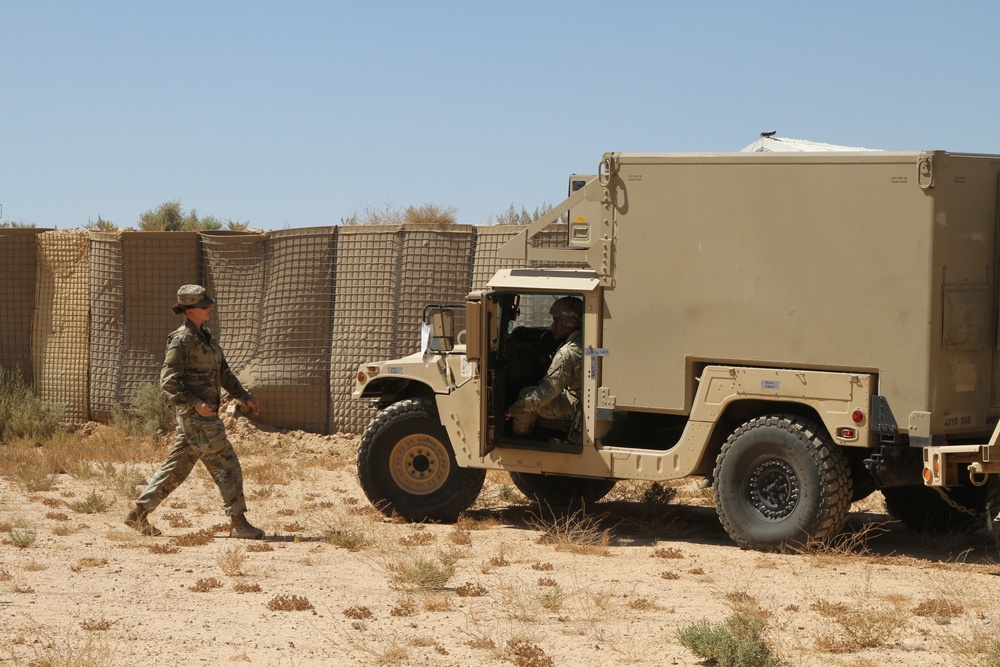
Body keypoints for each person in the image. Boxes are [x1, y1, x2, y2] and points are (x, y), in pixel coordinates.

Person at [125, 284, 265, 539]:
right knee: (228, 466)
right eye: (204, 306)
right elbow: (168, 381)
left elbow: (224, 373)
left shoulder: (206, 336)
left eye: (208, 303)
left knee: (176, 469)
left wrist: (245, 397)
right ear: (190, 311)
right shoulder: (182, 340)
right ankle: (239, 522)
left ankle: (138, 515)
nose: (210, 307)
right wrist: (194, 403)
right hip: (198, 418)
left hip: (201, 418)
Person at [505, 296, 584, 436]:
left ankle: (520, 438)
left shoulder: (567, 352)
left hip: (574, 407)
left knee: (526, 393)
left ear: (568, 323)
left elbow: (546, 394)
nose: (552, 326)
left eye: (556, 321)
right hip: (581, 400)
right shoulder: (583, 341)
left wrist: (514, 410)